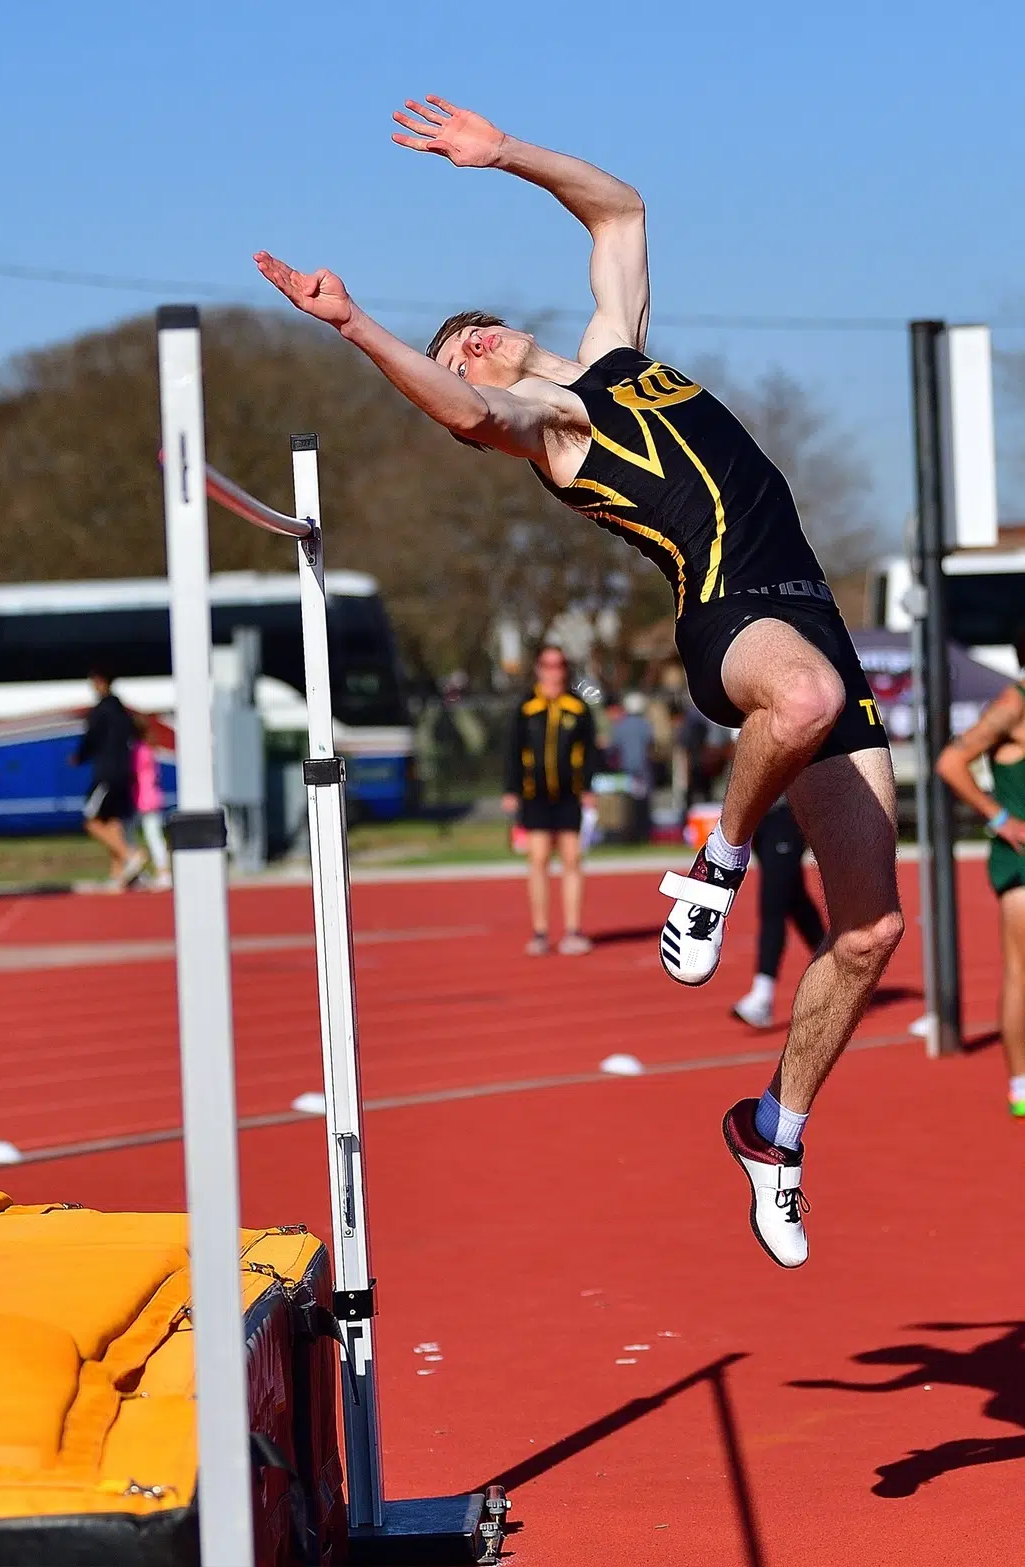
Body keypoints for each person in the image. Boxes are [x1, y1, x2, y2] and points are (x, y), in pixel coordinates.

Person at [256, 96, 902, 1269]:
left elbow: (618, 207)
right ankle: (711, 867)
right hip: (733, 621)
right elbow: (467, 411)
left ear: (507, 323)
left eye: (474, 335)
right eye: (453, 353)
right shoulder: (549, 423)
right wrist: (359, 327)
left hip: (817, 621)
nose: (470, 354)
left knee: (867, 931)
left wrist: (501, 155)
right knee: (794, 705)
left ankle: (774, 1133)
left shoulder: (617, 355)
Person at [934, 639, 1025, 1115]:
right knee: (1021, 971)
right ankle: (1020, 1087)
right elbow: (951, 762)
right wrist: (999, 818)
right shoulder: (1013, 704)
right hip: (1021, 862)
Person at [504, 645, 597, 955]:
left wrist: (588, 788)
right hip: (535, 796)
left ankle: (573, 929)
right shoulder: (527, 708)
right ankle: (540, 932)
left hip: (569, 797)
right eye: (547, 665)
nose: (553, 672)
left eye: (559, 665)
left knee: (572, 860)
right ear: (538, 669)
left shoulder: (578, 709)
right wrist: (511, 790)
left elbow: (590, 753)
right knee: (538, 860)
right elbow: (513, 753)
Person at [732, 798, 824, 1030]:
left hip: (788, 811)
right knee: (794, 899)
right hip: (759, 815)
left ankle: (762, 997)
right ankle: (837, 965)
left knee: (773, 904)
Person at [74, 667, 143, 887]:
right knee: (112, 821)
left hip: (107, 773)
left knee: (91, 821)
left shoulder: (101, 711)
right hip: (124, 771)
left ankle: (130, 854)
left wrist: (79, 756)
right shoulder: (123, 710)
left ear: (101, 681)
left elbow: (91, 738)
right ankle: (118, 874)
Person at [129, 725, 169, 889]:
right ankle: (159, 871)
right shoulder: (150, 750)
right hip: (153, 796)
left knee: (149, 835)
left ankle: (162, 872)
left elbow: (132, 773)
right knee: (153, 835)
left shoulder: (138, 752)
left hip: (143, 798)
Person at [613, 690, 655, 843]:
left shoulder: (620, 725)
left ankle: (629, 835)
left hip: (627, 770)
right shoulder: (645, 725)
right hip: (643, 770)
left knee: (627, 805)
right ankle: (644, 834)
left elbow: (613, 747)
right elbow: (651, 745)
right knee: (643, 804)